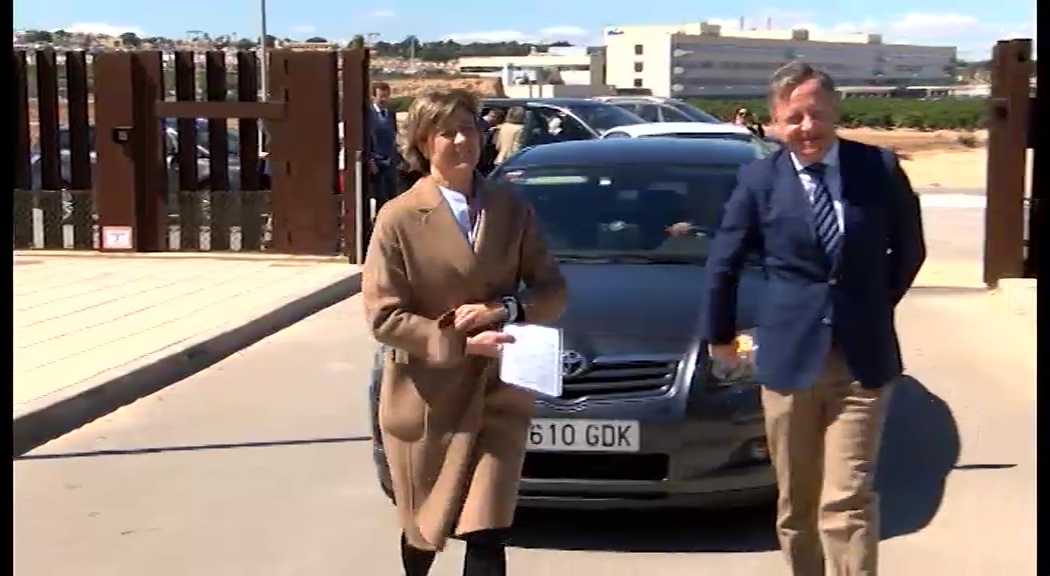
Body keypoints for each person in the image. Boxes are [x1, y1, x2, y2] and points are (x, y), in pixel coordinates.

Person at [700, 62, 926, 576]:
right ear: (775, 122)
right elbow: (724, 262)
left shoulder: (880, 169)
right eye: (794, 118)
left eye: (816, 114)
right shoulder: (758, 180)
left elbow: (909, 249)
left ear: (835, 111)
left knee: (847, 499)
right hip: (787, 362)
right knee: (797, 505)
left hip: (861, 363)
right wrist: (719, 336)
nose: (807, 127)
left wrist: (870, 304)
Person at [361, 88, 567, 576]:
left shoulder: (511, 208)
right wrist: (458, 341)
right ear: (424, 143)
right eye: (447, 132)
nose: (461, 141)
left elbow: (552, 289)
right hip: (428, 400)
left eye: (469, 129)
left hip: (498, 393)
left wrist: (507, 309)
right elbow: (383, 317)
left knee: (488, 533)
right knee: (424, 532)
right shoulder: (398, 218)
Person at [369, 81, 401, 205]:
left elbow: (394, 136)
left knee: (393, 195)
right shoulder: (368, 114)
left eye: (386, 96)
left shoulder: (390, 114)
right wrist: (372, 159)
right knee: (380, 197)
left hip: (390, 162)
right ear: (373, 96)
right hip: (376, 162)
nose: (384, 99)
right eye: (381, 96)